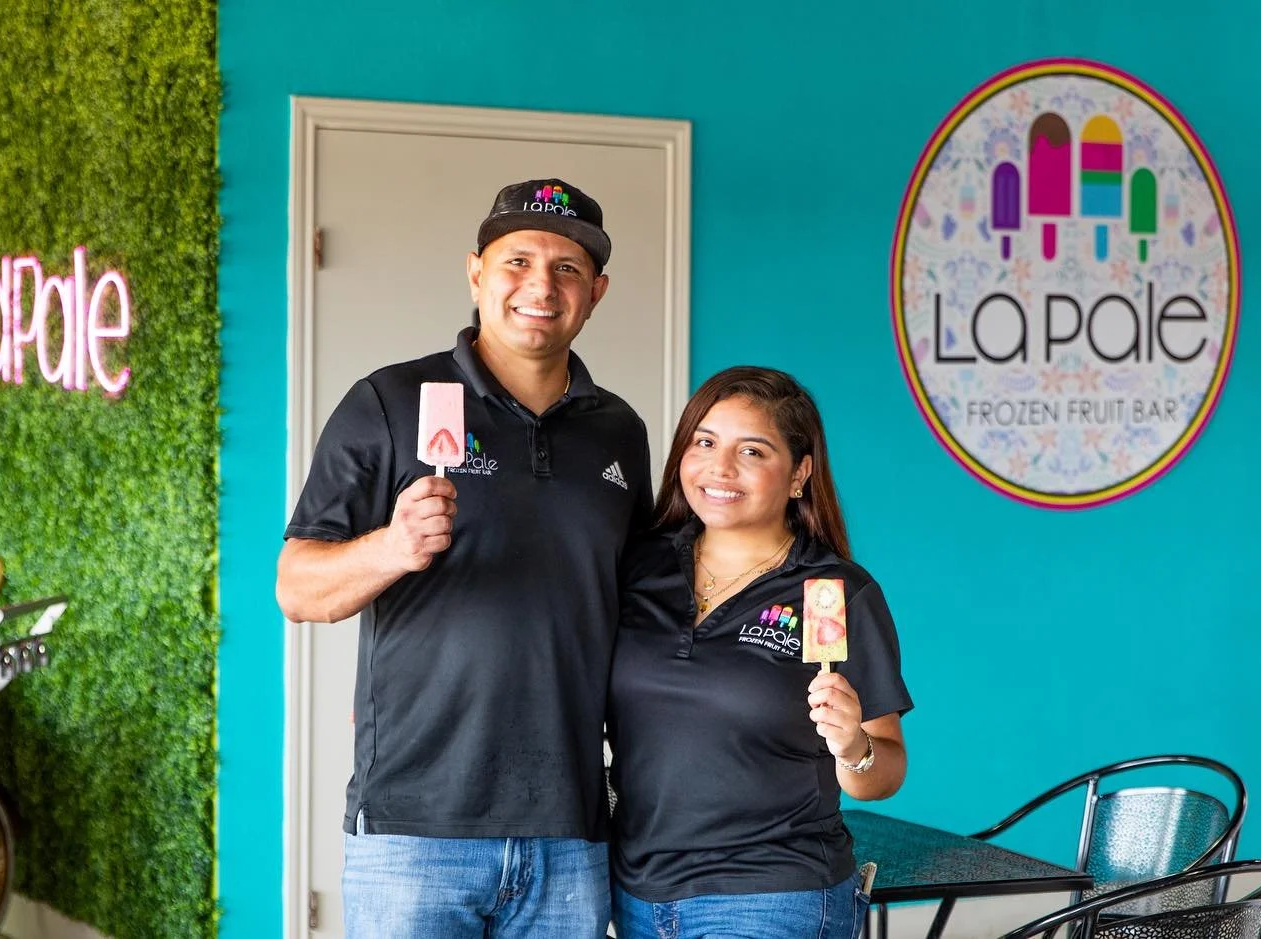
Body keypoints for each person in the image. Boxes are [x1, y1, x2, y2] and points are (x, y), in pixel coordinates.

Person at [276, 178, 653, 937]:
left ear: (597, 291)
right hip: (416, 830)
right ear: (476, 272)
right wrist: (392, 546)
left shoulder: (621, 432)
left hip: (570, 832)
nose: (540, 285)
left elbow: (639, 609)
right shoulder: (389, 401)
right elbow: (296, 587)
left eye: (568, 268)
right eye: (517, 261)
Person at [607, 366, 912, 939]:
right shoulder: (637, 567)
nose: (720, 469)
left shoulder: (837, 591)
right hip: (636, 893)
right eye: (704, 442)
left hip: (772, 894)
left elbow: (887, 769)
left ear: (799, 474)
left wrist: (852, 745)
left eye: (752, 451)